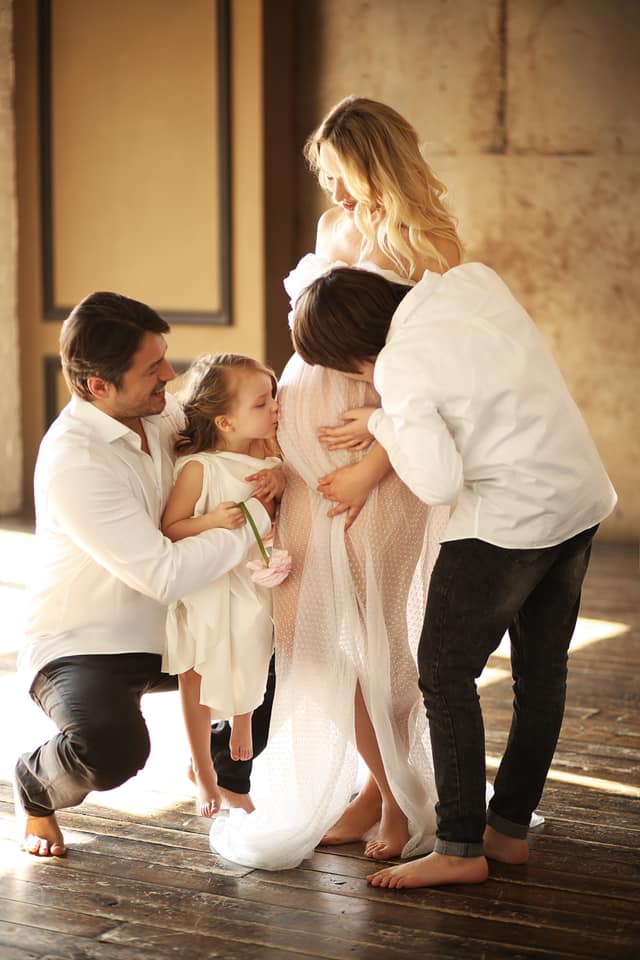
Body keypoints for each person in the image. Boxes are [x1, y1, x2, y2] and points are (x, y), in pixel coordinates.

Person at [291, 263, 617, 888]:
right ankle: (508, 831)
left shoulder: (398, 365)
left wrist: (382, 419)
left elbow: (437, 481)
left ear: (354, 352)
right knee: (541, 675)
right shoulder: (472, 281)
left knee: (443, 673)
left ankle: (460, 845)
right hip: (579, 498)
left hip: (509, 520)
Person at [210, 96, 458, 870]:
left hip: (379, 459)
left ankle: (396, 797)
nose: (337, 194)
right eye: (326, 178)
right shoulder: (331, 227)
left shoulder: (430, 245)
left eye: (345, 176)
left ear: (381, 164)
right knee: (305, 630)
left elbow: (437, 374)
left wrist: (374, 460)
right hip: (306, 457)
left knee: (379, 633)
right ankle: (373, 785)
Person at [14, 292, 273, 858]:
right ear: (98, 385)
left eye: (164, 358)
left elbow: (232, 432)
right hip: (86, 644)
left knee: (277, 652)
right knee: (113, 751)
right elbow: (163, 575)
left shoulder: (161, 414)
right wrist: (255, 522)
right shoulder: (76, 461)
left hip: (175, 629)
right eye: (152, 369)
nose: (169, 376)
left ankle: (223, 772)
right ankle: (35, 784)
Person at [161, 353, 285, 818]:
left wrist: (280, 475)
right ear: (226, 421)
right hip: (207, 587)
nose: (275, 406)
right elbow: (172, 528)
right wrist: (211, 520)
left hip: (251, 583)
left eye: (273, 396)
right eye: (262, 402)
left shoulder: (270, 460)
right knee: (195, 674)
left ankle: (241, 724)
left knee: (255, 649)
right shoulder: (201, 468)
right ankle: (204, 772)